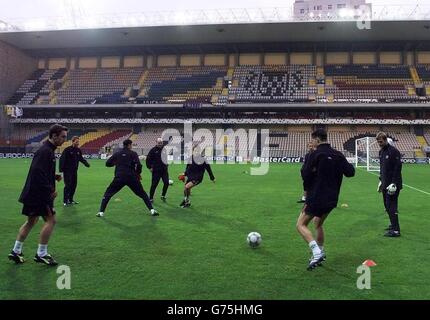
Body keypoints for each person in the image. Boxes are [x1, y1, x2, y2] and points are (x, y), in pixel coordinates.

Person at [8, 124, 68, 266]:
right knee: (51, 220)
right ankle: (41, 253)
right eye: (63, 137)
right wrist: (50, 190)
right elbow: (36, 173)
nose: (65, 140)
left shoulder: (47, 150)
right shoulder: (46, 151)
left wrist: (53, 176)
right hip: (39, 195)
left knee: (31, 221)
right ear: (54, 136)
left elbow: (40, 170)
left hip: (33, 193)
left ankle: (16, 251)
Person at [296, 129, 355, 270]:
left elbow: (304, 174)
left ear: (317, 139)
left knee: (300, 225)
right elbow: (350, 172)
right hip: (332, 199)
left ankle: (316, 253)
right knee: (317, 224)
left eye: (313, 140)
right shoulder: (338, 154)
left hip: (316, 197)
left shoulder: (315, 154)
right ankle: (321, 251)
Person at [97, 139, 158, 217]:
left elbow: (107, 164)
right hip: (132, 177)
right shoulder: (133, 153)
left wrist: (116, 163)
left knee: (108, 194)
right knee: (143, 194)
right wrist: (138, 174)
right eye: (131, 145)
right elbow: (139, 165)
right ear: (129, 145)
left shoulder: (117, 153)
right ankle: (152, 210)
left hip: (119, 177)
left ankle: (101, 212)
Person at [376, 132, 402, 237]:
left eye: (381, 141)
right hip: (385, 184)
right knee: (387, 206)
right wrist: (381, 180)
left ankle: (396, 230)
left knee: (391, 206)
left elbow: (398, 168)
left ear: (385, 140)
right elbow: (382, 169)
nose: (379, 143)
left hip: (393, 185)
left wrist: (394, 184)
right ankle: (393, 224)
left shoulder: (394, 151)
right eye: (378, 142)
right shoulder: (381, 152)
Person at [59, 136, 90, 206]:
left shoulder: (78, 150)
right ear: (72, 142)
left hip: (74, 171)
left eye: (78, 142)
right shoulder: (67, 150)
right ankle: (65, 201)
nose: (78, 143)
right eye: (76, 142)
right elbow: (62, 160)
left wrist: (86, 164)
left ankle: (71, 199)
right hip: (67, 171)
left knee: (74, 185)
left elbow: (81, 158)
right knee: (68, 185)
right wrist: (61, 170)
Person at [146, 138, 169, 202]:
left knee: (166, 183)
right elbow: (148, 159)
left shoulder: (164, 149)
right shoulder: (153, 150)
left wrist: (167, 164)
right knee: (154, 185)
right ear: (156, 142)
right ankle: (150, 198)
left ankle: (163, 195)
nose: (160, 144)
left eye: (161, 142)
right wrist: (149, 167)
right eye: (159, 143)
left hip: (164, 170)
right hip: (156, 171)